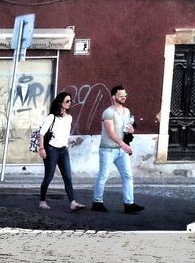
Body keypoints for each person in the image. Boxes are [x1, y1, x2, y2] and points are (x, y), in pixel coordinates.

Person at [92, 85, 144, 213]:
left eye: (125, 95)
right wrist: (124, 145)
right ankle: (97, 202)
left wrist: (131, 130)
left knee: (128, 176)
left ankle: (129, 204)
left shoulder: (127, 111)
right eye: (121, 95)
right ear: (114, 97)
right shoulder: (108, 112)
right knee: (103, 176)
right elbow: (110, 132)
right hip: (107, 149)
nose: (124, 97)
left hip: (121, 150)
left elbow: (125, 128)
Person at [37, 91, 84, 211]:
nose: (70, 103)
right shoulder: (52, 117)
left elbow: (65, 134)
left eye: (70, 101)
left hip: (63, 150)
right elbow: (41, 134)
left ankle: (72, 202)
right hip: (51, 150)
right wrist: (41, 148)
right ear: (60, 103)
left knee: (68, 176)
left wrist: (67, 144)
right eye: (67, 101)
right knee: (49, 176)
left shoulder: (69, 118)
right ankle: (42, 201)